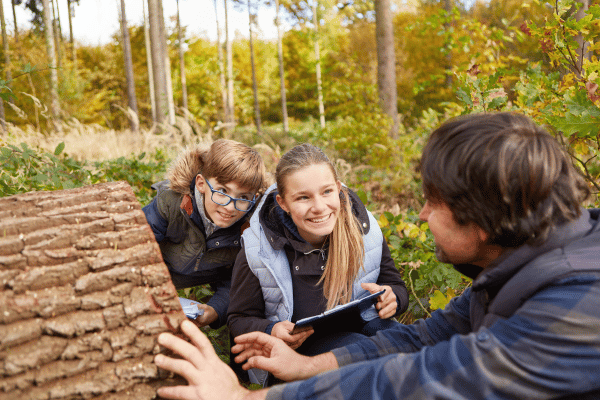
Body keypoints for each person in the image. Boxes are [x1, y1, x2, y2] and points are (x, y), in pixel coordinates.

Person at [153, 112, 600, 400]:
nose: (422, 213)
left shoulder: (579, 299)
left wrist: (244, 399)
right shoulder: (518, 270)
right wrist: (305, 365)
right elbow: (420, 339)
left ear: (480, 218)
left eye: (433, 201)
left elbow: (424, 381)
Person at [226, 143, 409, 368]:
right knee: (360, 356)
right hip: (300, 355)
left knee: (407, 346)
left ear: (339, 189)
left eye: (327, 192)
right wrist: (271, 329)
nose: (319, 207)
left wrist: (394, 299)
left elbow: (394, 285)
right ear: (283, 203)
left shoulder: (364, 230)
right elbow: (238, 320)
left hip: (365, 326)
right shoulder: (259, 248)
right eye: (303, 198)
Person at [143, 139, 266, 329]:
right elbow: (138, 249)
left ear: (255, 198)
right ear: (201, 184)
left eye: (243, 197)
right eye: (223, 191)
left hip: (202, 279)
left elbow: (237, 280)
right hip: (156, 275)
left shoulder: (250, 229)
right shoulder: (171, 204)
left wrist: (216, 309)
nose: (230, 206)